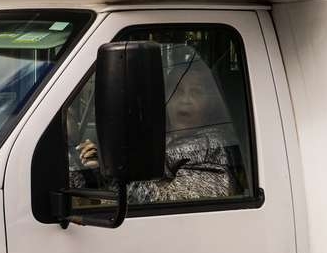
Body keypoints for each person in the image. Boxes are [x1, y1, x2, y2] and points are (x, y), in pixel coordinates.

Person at [74, 55, 238, 204]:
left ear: (209, 105)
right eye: (177, 91)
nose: (185, 100)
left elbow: (169, 201)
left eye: (196, 93)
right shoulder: (157, 138)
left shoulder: (214, 148)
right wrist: (92, 167)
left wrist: (115, 172)